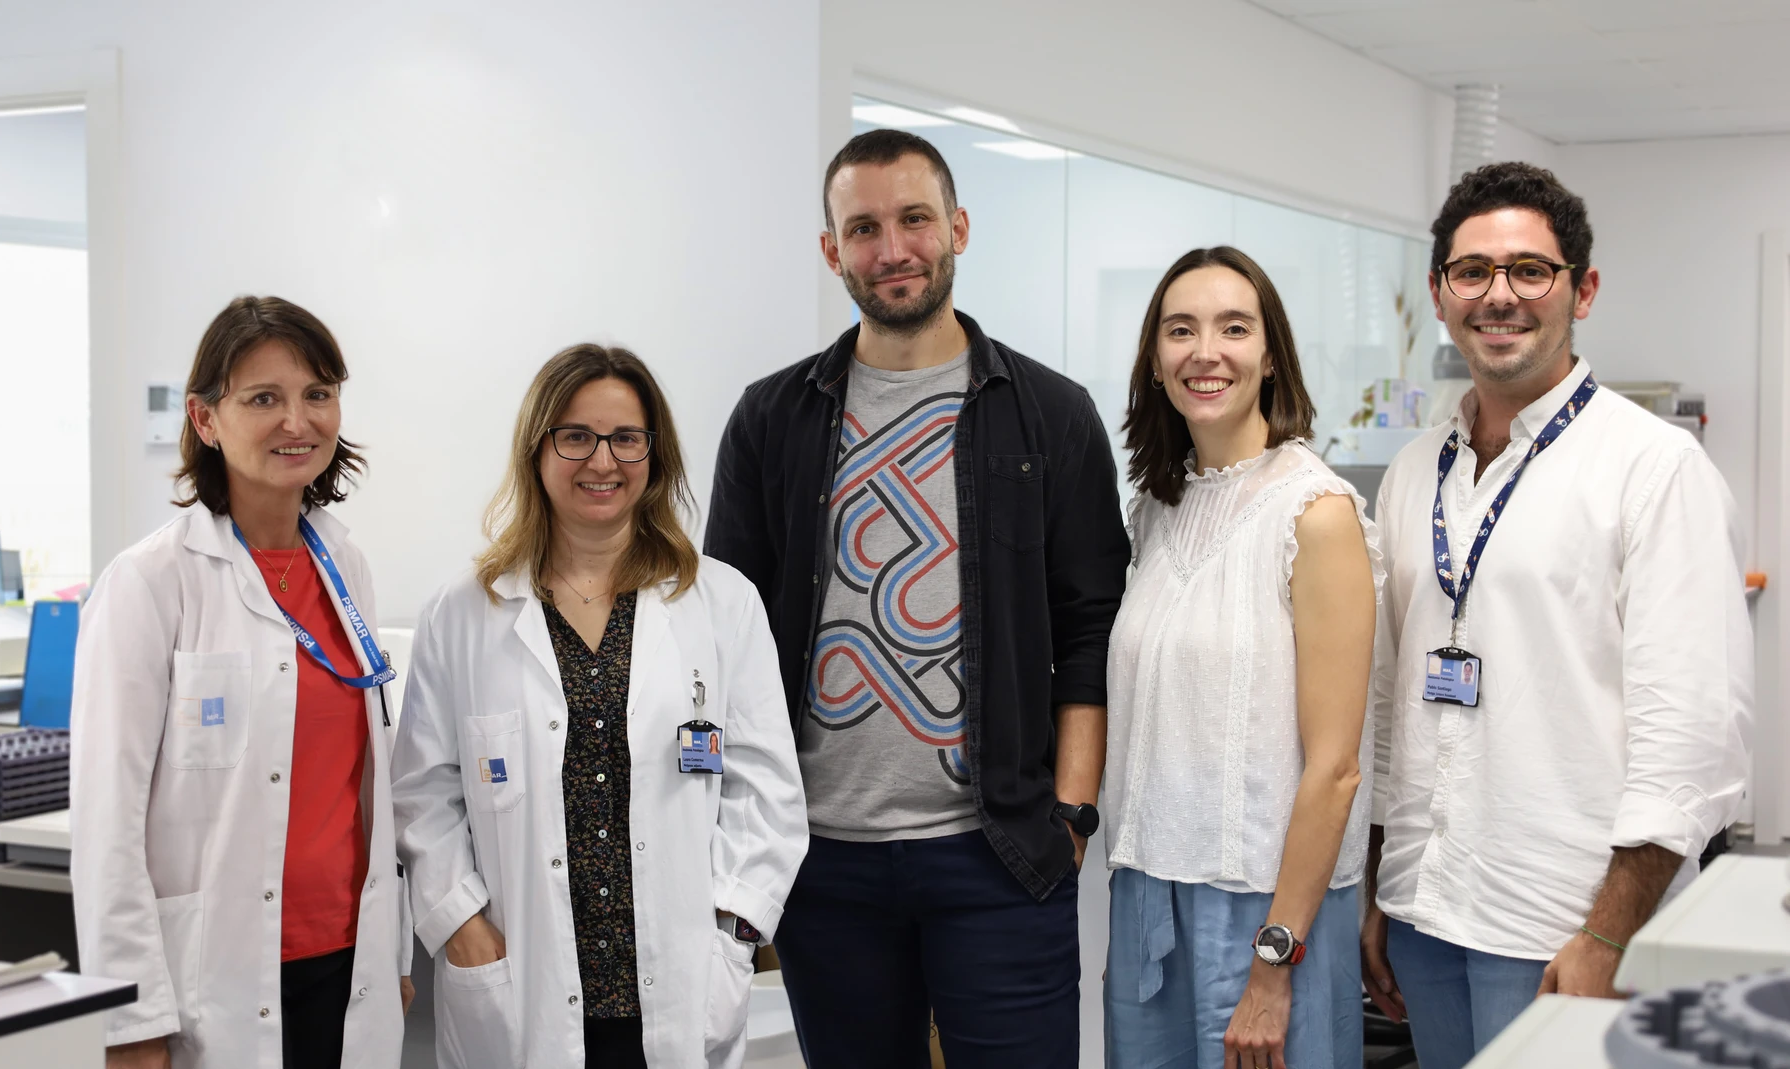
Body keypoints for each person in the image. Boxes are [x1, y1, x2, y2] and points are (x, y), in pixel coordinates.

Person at [705, 128, 1129, 1067]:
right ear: (831, 251)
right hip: (823, 860)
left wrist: (1071, 813)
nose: (891, 248)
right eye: (863, 228)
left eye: (913, 219)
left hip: (1001, 851)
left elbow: (1091, 626)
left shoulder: (1049, 414)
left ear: (959, 228)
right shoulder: (771, 419)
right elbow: (723, 636)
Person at [1360, 162, 1753, 1067]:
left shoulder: (1653, 467)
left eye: (1530, 270)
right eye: (1473, 272)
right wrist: (1382, 884)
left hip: (1563, 922)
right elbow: (1391, 702)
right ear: (1441, 292)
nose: (1500, 295)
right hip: (1429, 909)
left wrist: (1610, 934)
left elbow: (1692, 734)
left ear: (1583, 288)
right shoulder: (1417, 470)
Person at [392, 344, 807, 1069]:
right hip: (521, 984)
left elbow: (767, 791)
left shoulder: (722, 602)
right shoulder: (463, 612)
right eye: (575, 435)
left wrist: (734, 934)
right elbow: (423, 792)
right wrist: (460, 923)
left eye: (626, 438)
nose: (602, 461)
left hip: (680, 987)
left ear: (656, 451)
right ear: (538, 447)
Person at [71, 296, 410, 1069]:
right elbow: (106, 824)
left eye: (317, 394)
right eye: (264, 398)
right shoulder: (149, 583)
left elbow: (365, 789)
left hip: (347, 953)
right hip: (215, 975)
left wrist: (391, 955)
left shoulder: (345, 567)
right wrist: (130, 1018)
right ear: (205, 418)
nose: (299, 420)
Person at [1102, 247, 1380, 1069]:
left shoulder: (1316, 513)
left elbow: (1334, 767)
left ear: (1270, 356)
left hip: (1265, 907)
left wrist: (1273, 961)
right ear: (1155, 362)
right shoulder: (1155, 510)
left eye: (1233, 327)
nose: (1204, 351)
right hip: (1149, 895)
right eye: (1179, 329)